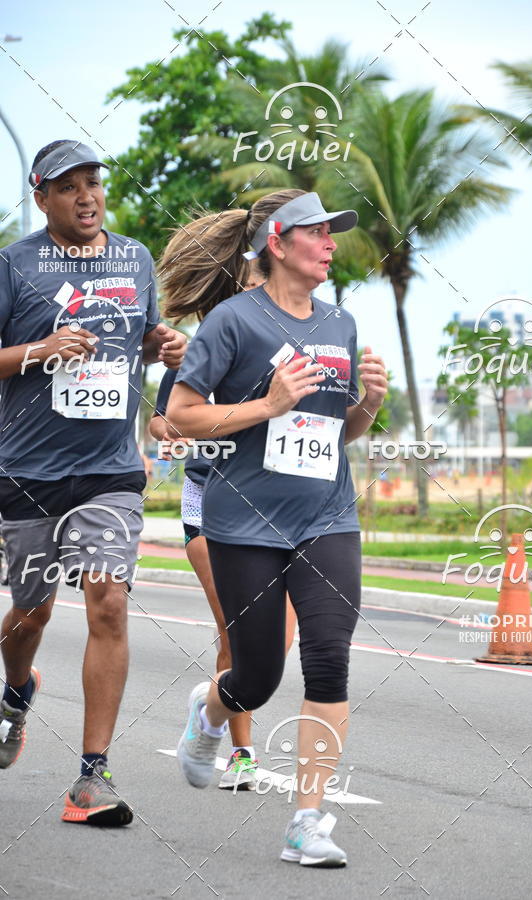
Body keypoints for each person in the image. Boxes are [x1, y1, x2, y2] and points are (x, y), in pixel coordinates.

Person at [166, 189, 387, 866]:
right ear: (278, 242)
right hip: (246, 521)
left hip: (327, 515)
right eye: (317, 233)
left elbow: (333, 433)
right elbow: (183, 414)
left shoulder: (340, 325)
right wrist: (268, 402)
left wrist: (369, 407)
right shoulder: (233, 323)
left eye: (332, 235)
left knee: (329, 656)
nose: (330, 244)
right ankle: (210, 710)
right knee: (256, 676)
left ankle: (307, 824)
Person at [0, 140, 186, 826]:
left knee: (107, 600)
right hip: (27, 471)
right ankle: (17, 691)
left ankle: (91, 780)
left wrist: (160, 344)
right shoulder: (14, 265)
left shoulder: (134, 260)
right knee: (31, 615)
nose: (87, 196)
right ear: (41, 195)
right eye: (70, 186)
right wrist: (38, 351)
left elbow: (132, 337)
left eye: (94, 183)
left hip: (109, 468)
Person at [150, 259, 296, 791]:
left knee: (274, 643)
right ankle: (240, 752)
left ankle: (210, 702)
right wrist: (187, 430)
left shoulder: (290, 345)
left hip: (276, 505)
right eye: (257, 284)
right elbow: (163, 418)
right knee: (237, 631)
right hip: (209, 502)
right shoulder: (209, 341)